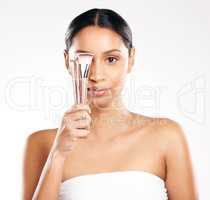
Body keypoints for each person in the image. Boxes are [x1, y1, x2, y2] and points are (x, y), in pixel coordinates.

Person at [23, 8, 198, 200]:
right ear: (67, 61)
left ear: (131, 59)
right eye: (84, 60)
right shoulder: (42, 143)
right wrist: (58, 154)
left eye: (111, 59)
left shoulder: (167, 136)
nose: (96, 75)